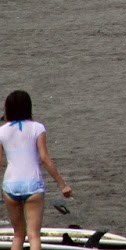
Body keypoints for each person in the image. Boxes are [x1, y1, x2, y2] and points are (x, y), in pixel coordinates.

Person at [2, 91, 73, 250]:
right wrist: (63, 185)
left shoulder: (1, 131)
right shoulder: (37, 128)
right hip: (33, 185)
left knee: (18, 235)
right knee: (34, 235)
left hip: (9, 185)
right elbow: (44, 158)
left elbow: (0, 163)